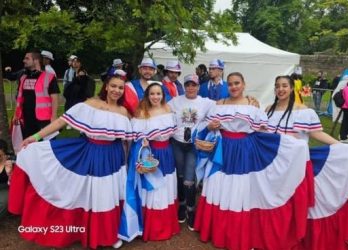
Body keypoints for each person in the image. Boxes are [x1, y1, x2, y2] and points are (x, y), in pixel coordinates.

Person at [8, 71, 133, 248]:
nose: (116, 90)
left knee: (109, 194)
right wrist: (35, 137)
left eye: (120, 88)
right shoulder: (91, 104)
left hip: (114, 157)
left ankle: (109, 234)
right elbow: (61, 122)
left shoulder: (123, 112)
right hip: (92, 153)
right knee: (93, 193)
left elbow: (129, 138)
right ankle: (92, 232)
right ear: (105, 86)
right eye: (113, 86)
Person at [194, 72, 311, 250]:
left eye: (237, 83)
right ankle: (215, 229)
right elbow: (204, 128)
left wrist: (290, 142)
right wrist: (210, 126)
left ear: (243, 84)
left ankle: (234, 232)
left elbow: (264, 130)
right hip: (222, 149)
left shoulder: (253, 105)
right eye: (231, 84)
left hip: (243, 150)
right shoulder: (218, 104)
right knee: (218, 184)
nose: (234, 87)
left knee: (238, 188)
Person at [266, 75, 348, 250]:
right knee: (275, 204)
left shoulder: (304, 112)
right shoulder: (268, 111)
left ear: (292, 87)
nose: (280, 89)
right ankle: (274, 238)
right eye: (277, 86)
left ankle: (294, 240)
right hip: (273, 168)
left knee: (294, 205)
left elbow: (317, 134)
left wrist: (344, 147)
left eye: (284, 85)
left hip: (296, 167)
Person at [117, 82, 179, 244]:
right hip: (151, 154)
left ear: (163, 95)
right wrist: (142, 141)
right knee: (153, 189)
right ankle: (152, 227)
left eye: (159, 94)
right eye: (152, 94)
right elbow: (134, 137)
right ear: (147, 96)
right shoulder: (141, 113)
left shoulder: (169, 110)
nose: (156, 97)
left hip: (167, 153)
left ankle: (167, 225)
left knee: (166, 186)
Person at [168, 74, 215, 231]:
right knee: (180, 176)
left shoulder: (205, 102)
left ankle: (191, 209)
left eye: (193, 85)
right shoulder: (175, 101)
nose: (190, 87)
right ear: (184, 86)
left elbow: (224, 104)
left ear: (198, 86)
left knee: (189, 178)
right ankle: (181, 205)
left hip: (193, 145)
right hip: (177, 143)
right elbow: (160, 108)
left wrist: (249, 99)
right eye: (187, 84)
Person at [13, 49, 60, 139]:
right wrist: (16, 114)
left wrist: (53, 117)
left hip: (44, 118)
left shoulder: (49, 77)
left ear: (36, 60)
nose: (24, 61)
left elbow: (54, 98)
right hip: (27, 118)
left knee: (47, 145)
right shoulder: (23, 77)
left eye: (27, 58)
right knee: (29, 144)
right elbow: (19, 98)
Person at [0, 140, 14, 220]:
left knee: (4, 201)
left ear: (5, 154)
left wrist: (10, 173)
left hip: (5, 188)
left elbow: (15, 184)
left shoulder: (11, 163)